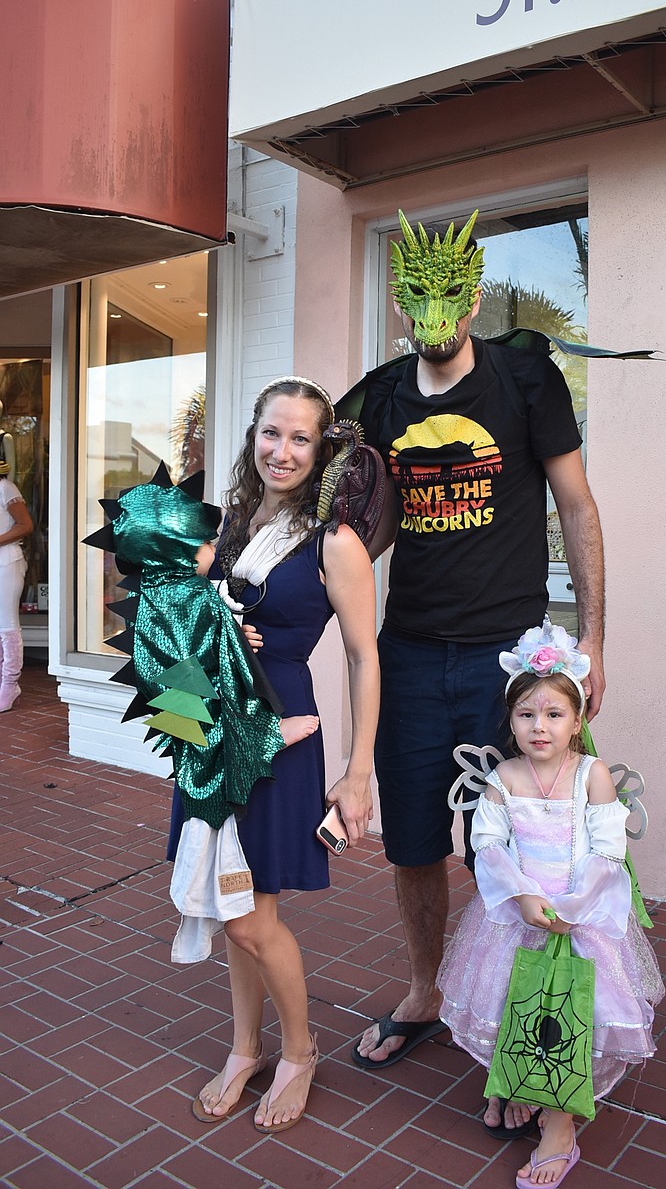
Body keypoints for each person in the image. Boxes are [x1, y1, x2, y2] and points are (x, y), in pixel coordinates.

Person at [348, 211, 605, 1138]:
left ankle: (520, 1038)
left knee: (524, 849)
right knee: (416, 844)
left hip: (511, 658)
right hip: (413, 652)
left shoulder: (527, 378)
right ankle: (426, 992)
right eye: (418, 297)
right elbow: (372, 526)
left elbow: (575, 505)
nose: (436, 313)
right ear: (399, 303)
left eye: (450, 295)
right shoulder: (383, 397)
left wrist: (594, 640)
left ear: (473, 297)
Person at [167, 376, 380, 1131]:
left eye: (300, 438)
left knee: (251, 917)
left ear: (323, 449)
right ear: (252, 434)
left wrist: (358, 771)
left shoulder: (334, 541)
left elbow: (363, 656)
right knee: (232, 902)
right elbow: (179, 620)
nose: (282, 451)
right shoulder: (228, 524)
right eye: (270, 432)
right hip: (210, 727)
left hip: (283, 728)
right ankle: (245, 1049)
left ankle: (299, 1051)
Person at [438, 622, 663, 1187]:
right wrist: (522, 892)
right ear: (510, 720)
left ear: (578, 721)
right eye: (526, 715)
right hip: (518, 916)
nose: (540, 726)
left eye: (554, 714)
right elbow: (489, 845)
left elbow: (608, 852)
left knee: (569, 1015)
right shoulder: (504, 777)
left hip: (580, 918)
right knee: (513, 1002)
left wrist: (574, 906)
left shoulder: (592, 776)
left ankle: (560, 1127)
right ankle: (520, 1084)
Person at [0, 439, 32, 713]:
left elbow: (26, 525)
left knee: (7, 623)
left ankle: (10, 685)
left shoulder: (5, 487)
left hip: (7, 562)